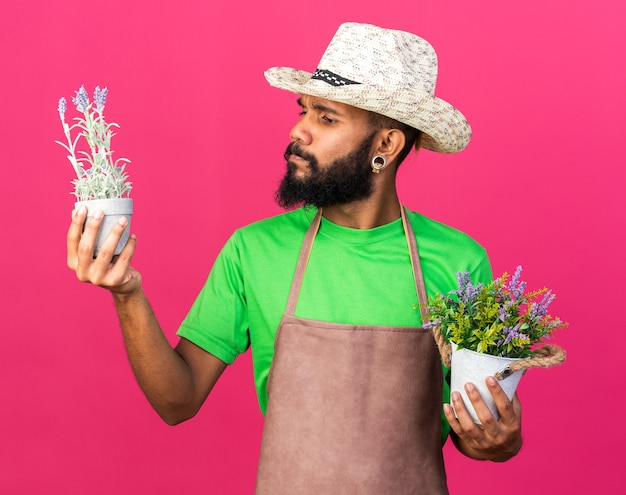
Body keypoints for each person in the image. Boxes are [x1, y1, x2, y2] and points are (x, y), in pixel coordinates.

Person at [67, 22, 522, 494]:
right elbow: (176, 402)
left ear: (386, 145)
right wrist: (127, 294)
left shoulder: (460, 263)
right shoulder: (253, 251)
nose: (298, 130)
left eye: (326, 118)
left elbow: (480, 433)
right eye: (305, 110)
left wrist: (500, 439)